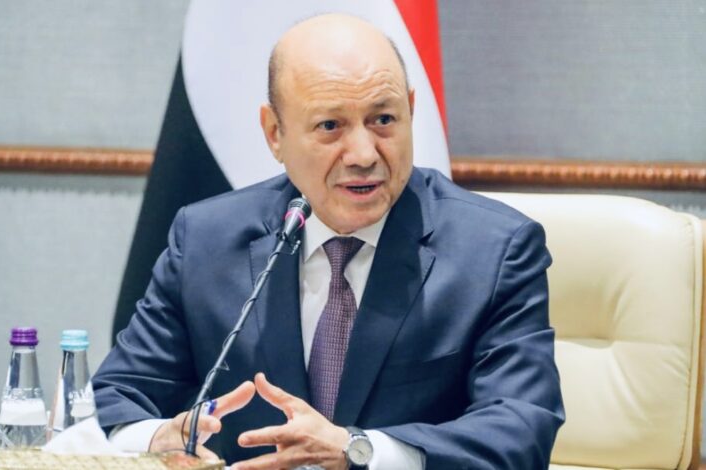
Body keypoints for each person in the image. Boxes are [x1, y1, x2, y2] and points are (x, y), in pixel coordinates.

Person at [93, 13, 564, 469]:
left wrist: (358, 450)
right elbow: (113, 398)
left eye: (383, 119)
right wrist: (158, 439)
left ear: (411, 111)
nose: (363, 154)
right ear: (275, 134)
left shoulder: (495, 251)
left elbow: (520, 434)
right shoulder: (206, 241)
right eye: (330, 126)